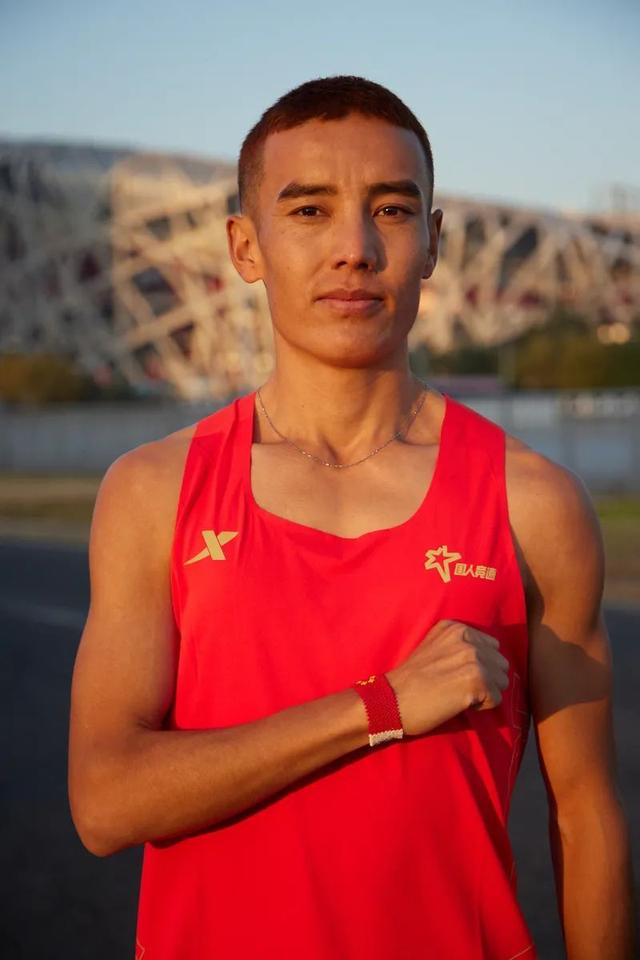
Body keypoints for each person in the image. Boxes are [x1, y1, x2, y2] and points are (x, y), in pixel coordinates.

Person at [68, 75, 636, 959]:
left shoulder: (534, 503)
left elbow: (587, 815)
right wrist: (381, 705)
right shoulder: (154, 492)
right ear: (245, 247)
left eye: (392, 210)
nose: (355, 249)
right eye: (309, 211)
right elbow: (105, 802)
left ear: (433, 241)